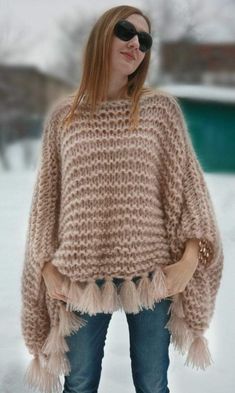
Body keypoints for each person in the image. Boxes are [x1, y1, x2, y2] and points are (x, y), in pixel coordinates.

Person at [20, 5, 224, 393]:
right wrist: (46, 268)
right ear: (102, 36)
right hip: (79, 275)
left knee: (152, 382)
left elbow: (189, 188)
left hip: (152, 275)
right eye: (126, 31)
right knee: (78, 383)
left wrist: (189, 260)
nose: (135, 44)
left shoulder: (161, 111)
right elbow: (46, 202)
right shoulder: (65, 116)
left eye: (144, 40)